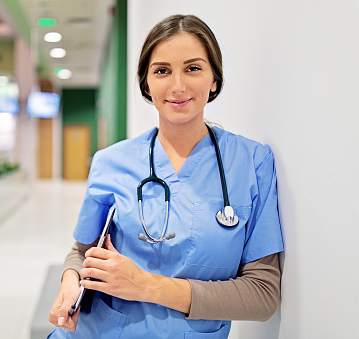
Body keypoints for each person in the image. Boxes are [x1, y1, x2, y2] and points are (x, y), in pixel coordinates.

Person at [48, 14, 284, 338]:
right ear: (146, 82)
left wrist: (147, 286)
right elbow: (81, 252)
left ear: (214, 78)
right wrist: (70, 282)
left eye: (193, 68)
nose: (177, 86)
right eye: (162, 71)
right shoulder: (111, 162)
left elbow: (262, 294)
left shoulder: (252, 163)